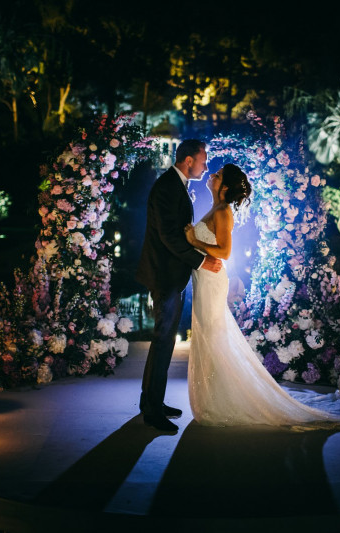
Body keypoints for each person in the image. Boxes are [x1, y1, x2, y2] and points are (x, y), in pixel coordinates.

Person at [184, 164, 340, 429]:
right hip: (204, 280)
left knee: (212, 334)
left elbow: (225, 252)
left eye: (217, 175)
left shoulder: (222, 212)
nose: (212, 175)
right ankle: (215, 395)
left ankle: (221, 398)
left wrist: (194, 241)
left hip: (212, 280)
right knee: (209, 333)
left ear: (225, 187)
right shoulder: (215, 208)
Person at [136, 139, 223, 433]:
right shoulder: (167, 187)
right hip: (164, 275)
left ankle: (152, 401)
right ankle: (152, 411)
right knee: (163, 340)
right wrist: (201, 261)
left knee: (165, 341)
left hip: (172, 274)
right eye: (203, 161)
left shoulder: (175, 185)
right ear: (188, 160)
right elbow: (169, 236)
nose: (206, 167)